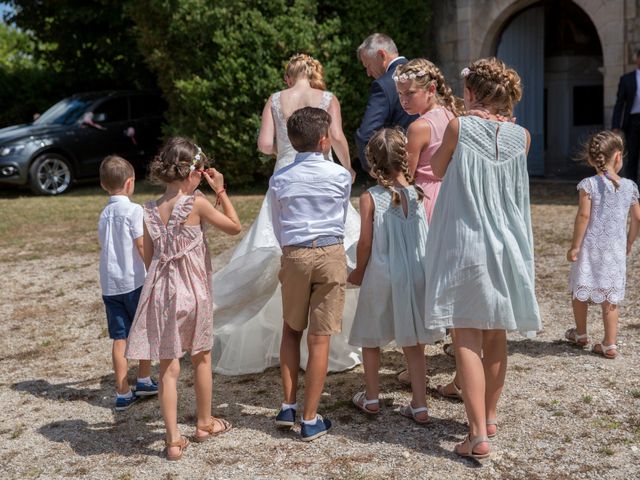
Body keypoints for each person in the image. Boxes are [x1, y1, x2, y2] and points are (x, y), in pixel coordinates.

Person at [210, 53, 361, 375]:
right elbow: (335, 137)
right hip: (323, 175)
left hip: (285, 177)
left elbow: (265, 144)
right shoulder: (327, 98)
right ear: (314, 74)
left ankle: (282, 340)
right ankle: (329, 346)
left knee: (280, 254)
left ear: (288, 77)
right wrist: (346, 167)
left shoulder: (276, 99)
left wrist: (284, 149)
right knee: (336, 250)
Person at [424, 58, 541, 459]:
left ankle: (476, 436)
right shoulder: (522, 137)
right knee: (497, 335)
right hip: (508, 244)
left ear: (471, 92)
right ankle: (488, 416)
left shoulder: (459, 126)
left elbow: (436, 169)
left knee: (466, 337)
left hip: (467, 241)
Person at [125, 138, 241, 461]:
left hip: (162, 293)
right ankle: (204, 423)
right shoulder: (198, 202)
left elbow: (149, 258)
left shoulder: (147, 210)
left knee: (168, 367)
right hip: (195, 292)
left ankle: (173, 439)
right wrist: (220, 190)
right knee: (201, 357)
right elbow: (234, 226)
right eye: (201, 170)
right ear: (192, 173)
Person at [348, 128, 443, 424]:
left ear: (372, 162)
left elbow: (365, 242)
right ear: (404, 158)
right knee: (414, 341)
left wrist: (359, 271)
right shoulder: (418, 194)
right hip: (415, 272)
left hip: (381, 272)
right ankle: (420, 403)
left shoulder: (370, 198)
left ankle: (373, 397)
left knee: (371, 335)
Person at [270, 107, 350, 441]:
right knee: (320, 339)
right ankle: (310, 417)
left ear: (291, 141)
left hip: (295, 254)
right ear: (324, 140)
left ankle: (288, 405)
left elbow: (278, 225)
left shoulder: (280, 179)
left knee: (291, 329)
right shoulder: (341, 176)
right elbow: (342, 215)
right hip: (330, 252)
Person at [566, 130, 640, 359]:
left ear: (590, 159)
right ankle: (609, 343)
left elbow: (583, 217)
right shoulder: (630, 186)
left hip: (590, 248)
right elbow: (637, 218)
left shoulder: (588, 184)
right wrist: (629, 241)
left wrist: (575, 246)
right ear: (619, 157)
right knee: (610, 295)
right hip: (614, 252)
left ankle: (580, 333)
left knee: (581, 289)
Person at [98, 155, 158, 411]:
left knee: (119, 337)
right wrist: (153, 268)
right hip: (134, 281)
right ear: (130, 183)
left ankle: (122, 392)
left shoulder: (104, 214)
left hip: (110, 284)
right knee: (143, 330)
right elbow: (141, 243)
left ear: (103, 185)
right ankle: (143, 379)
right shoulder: (134, 210)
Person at [394, 58, 461, 223]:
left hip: (426, 198)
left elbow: (406, 175)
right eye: (400, 94)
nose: (404, 100)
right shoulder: (451, 115)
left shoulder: (419, 127)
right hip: (453, 196)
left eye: (410, 93)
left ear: (431, 89)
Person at [355, 33, 418, 171]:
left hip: (400, 169)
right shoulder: (424, 74)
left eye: (368, 65)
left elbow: (366, 134)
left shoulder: (384, 85)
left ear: (382, 55)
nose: (368, 73)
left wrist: (374, 169)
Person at [612, 49, 640, 182]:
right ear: (637, 59)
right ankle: (632, 189)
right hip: (633, 122)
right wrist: (615, 125)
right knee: (632, 156)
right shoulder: (626, 79)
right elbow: (619, 104)